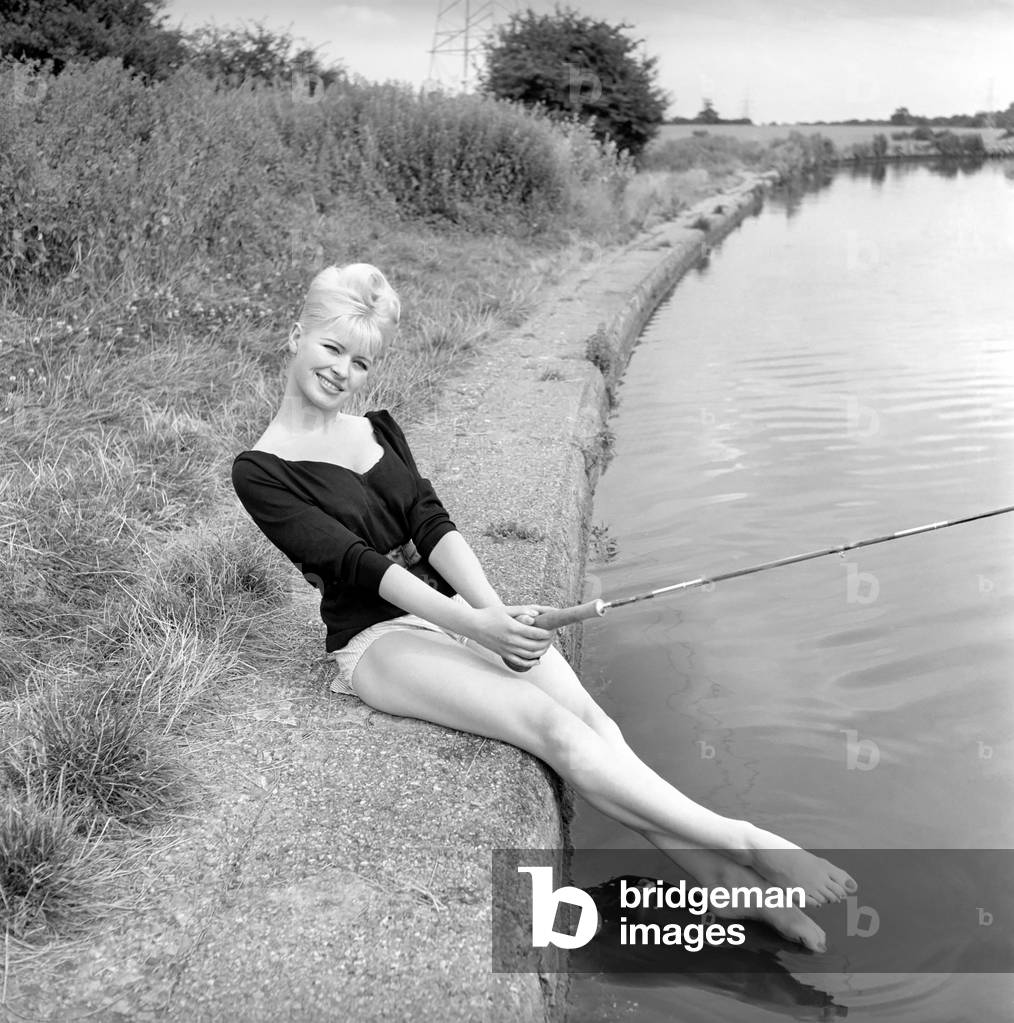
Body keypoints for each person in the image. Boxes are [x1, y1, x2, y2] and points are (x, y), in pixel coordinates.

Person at [231, 262, 856, 954]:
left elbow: (430, 523)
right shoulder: (260, 470)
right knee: (549, 727)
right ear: (296, 336)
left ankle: (726, 884)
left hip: (456, 611)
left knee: (597, 724)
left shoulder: (377, 428)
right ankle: (749, 841)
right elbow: (359, 565)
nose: (342, 370)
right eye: (331, 349)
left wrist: (497, 614)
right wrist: (474, 627)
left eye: (360, 360)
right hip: (378, 641)